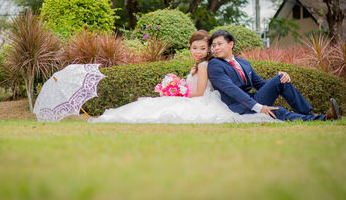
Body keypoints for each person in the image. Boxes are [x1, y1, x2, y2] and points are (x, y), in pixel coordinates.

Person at [90, 30, 278, 124]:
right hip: (194, 98)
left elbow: (200, 92)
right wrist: (176, 88)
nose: (197, 52)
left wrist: (178, 94)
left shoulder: (205, 65)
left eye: (202, 48)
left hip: (202, 101)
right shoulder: (197, 64)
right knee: (153, 106)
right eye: (194, 48)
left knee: (164, 109)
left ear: (209, 49)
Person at [208, 30, 340, 121]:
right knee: (278, 111)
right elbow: (231, 89)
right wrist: (258, 107)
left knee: (281, 79)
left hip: (252, 98)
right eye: (214, 46)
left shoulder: (243, 63)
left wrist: (282, 78)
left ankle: (309, 114)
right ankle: (324, 118)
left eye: (219, 44)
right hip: (237, 105)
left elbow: (260, 84)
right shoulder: (215, 64)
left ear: (231, 44)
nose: (216, 48)